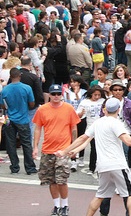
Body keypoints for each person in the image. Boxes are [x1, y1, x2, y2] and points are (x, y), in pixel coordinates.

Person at [56, 98, 131, 216]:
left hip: (102, 166)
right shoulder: (117, 123)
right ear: (118, 110)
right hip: (117, 164)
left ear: (105, 109)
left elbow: (82, 139)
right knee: (130, 194)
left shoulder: (98, 122)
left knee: (100, 195)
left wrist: (65, 151)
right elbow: (129, 141)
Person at [33, 83, 81, 216]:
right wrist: (35, 147)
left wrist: (73, 147)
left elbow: (74, 128)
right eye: (53, 94)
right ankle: (56, 206)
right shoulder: (42, 109)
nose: (56, 96)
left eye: (58, 94)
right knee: (51, 180)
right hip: (48, 150)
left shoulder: (69, 108)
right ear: (49, 95)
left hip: (63, 150)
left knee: (62, 180)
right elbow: (38, 129)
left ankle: (65, 205)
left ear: (62, 95)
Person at [2, 68, 37, 175]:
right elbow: (32, 104)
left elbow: (3, 105)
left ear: (10, 76)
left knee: (10, 143)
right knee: (26, 143)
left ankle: (14, 166)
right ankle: (30, 167)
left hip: (10, 119)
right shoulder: (27, 88)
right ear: (20, 75)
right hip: (23, 119)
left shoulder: (5, 90)